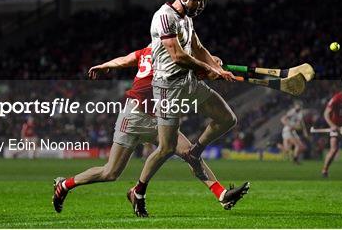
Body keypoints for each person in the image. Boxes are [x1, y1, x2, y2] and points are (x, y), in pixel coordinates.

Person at [52, 45, 248, 215]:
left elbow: (125, 60)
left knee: (190, 154)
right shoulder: (170, 57)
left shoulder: (150, 51)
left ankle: (221, 194)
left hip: (158, 117)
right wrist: (214, 67)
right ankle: (65, 185)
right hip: (134, 117)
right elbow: (195, 65)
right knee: (110, 173)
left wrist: (106, 65)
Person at [129, 0, 248, 217]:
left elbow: (197, 47)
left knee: (226, 119)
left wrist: (213, 61)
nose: (199, 4)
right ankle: (138, 192)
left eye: (202, 0)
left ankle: (195, 152)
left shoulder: (188, 19)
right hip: (167, 87)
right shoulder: (164, 16)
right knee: (166, 147)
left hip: (188, 82)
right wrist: (212, 70)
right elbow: (178, 56)